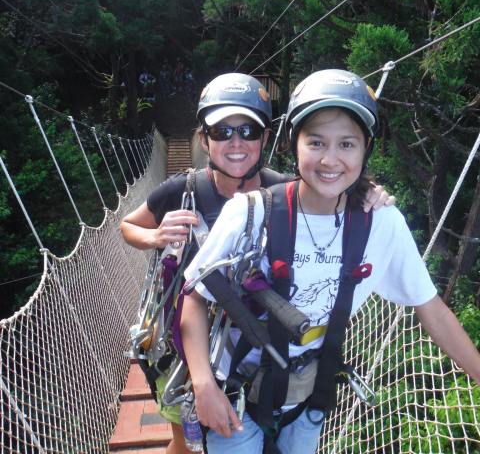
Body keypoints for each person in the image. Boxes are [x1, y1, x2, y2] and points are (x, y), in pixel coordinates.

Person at [180, 69, 480, 454]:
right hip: (236, 395)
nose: (331, 160)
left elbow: (431, 308)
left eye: (348, 144)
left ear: (366, 148)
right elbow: (195, 295)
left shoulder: (382, 223)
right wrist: (203, 384)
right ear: (294, 144)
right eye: (317, 142)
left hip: (309, 398)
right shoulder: (249, 214)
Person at [120, 72, 394, 454]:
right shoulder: (181, 191)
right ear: (203, 139)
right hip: (187, 336)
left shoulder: (280, 193)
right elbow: (127, 225)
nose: (236, 142)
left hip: (251, 347)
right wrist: (155, 236)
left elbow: (332, 193)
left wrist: (366, 191)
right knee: (185, 438)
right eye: (222, 132)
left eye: (248, 130)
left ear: (266, 137)